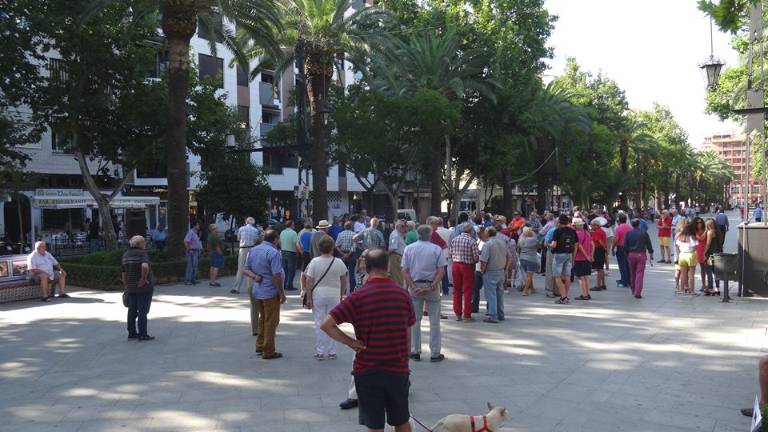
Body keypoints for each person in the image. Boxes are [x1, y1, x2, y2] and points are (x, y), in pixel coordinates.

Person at [320, 249, 415, 432]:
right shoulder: (403, 295)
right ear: (387, 266)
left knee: (375, 424)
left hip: (368, 369)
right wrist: (405, 360)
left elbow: (326, 324)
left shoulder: (358, 296)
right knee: (401, 420)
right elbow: (407, 331)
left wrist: (352, 342)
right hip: (397, 367)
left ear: (366, 267)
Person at [402, 224, 446, 362]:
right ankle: (434, 352)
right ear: (430, 234)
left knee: (415, 321)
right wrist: (432, 286)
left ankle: (415, 351)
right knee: (434, 321)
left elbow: (404, 270)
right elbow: (441, 271)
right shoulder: (436, 249)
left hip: (415, 285)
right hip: (431, 286)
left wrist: (413, 286)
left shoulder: (409, 248)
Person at [243, 230, 286, 359]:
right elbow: (276, 275)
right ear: (275, 240)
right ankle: (268, 350)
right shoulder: (274, 253)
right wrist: (281, 292)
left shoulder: (253, 250)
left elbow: (245, 269)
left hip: (258, 290)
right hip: (270, 291)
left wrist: (255, 276)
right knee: (271, 321)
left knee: (263, 318)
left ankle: (260, 344)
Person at [304, 235, 347, 360]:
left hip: (318, 294)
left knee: (319, 323)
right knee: (333, 323)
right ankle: (332, 351)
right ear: (332, 248)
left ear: (319, 247)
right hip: (334, 294)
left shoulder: (314, 262)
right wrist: (341, 295)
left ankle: (320, 351)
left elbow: (309, 281)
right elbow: (344, 280)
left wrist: (309, 297)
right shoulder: (339, 262)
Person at [122, 235, 154, 340]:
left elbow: (123, 272)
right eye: (144, 242)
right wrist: (143, 279)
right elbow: (144, 266)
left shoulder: (126, 254)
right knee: (142, 311)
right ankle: (142, 334)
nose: (145, 244)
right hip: (143, 287)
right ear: (140, 244)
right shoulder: (142, 253)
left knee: (132, 311)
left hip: (131, 287)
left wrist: (126, 284)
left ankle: (131, 333)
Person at [450, 223, 479, 321]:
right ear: (471, 231)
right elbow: (475, 257)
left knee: (457, 289)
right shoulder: (472, 241)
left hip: (455, 265)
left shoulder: (455, 239)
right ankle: (467, 315)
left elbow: (450, 254)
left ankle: (458, 313)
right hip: (467, 266)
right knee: (468, 290)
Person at [480, 227, 509, 323]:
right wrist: (505, 269)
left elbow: (483, 260)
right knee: (499, 294)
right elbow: (509, 257)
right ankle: (501, 314)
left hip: (490, 271)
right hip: (500, 270)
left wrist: (482, 271)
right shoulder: (503, 242)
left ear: (487, 234)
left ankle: (493, 315)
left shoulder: (487, 245)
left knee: (491, 294)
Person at [231, 217, 263, 295]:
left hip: (243, 249)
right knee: (251, 268)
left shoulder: (241, 229)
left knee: (241, 268)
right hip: (252, 249)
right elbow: (257, 240)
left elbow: (238, 238)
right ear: (253, 223)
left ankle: (236, 288)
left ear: (246, 222)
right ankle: (250, 288)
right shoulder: (256, 230)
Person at [550, 214, 577, 305]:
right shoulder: (572, 231)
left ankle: (563, 297)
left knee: (557, 276)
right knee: (567, 276)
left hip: (559, 254)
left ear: (559, 222)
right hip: (569, 254)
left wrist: (548, 245)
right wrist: (574, 255)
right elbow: (576, 244)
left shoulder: (557, 231)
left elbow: (554, 244)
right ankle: (565, 296)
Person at [624, 219, 654, 299]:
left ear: (632, 225)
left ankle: (633, 289)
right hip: (641, 255)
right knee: (639, 274)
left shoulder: (628, 233)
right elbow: (649, 244)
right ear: (639, 224)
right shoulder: (644, 233)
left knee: (632, 273)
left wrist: (627, 254)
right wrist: (651, 253)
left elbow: (625, 246)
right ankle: (638, 292)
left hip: (631, 254)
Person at [572, 218, 593, 301]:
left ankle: (584, 294)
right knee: (586, 276)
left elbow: (579, 246)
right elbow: (592, 244)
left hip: (579, 258)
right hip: (587, 258)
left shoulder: (576, 234)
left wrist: (573, 258)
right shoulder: (587, 232)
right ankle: (588, 293)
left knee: (580, 277)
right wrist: (590, 255)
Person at [675, 219, 698, 295]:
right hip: (690, 254)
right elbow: (695, 247)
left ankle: (681, 289)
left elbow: (677, 246)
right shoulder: (692, 237)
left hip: (682, 255)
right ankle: (692, 290)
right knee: (691, 275)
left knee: (683, 274)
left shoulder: (680, 237)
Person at [279, 220, 301, 292]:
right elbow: (296, 244)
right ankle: (289, 285)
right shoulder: (293, 233)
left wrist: (282, 247)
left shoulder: (282, 232)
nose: (294, 225)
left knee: (285, 269)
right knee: (291, 270)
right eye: (293, 224)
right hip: (291, 252)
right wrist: (301, 252)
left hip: (283, 251)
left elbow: (279, 241)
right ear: (291, 225)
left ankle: (284, 284)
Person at [335, 221, 358, 292]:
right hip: (351, 255)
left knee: (342, 273)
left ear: (344, 227)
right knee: (351, 273)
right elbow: (354, 246)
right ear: (351, 227)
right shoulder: (354, 234)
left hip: (342, 254)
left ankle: (343, 289)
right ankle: (352, 290)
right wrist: (348, 254)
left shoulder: (340, 234)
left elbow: (336, 246)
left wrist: (343, 254)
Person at [704, 219, 723, 296]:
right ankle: (717, 288)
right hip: (718, 254)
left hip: (711, 255)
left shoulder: (710, 232)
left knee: (708, 271)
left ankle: (710, 288)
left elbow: (708, 244)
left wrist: (704, 252)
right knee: (716, 272)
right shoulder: (717, 232)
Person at [517, 227, 539, 296]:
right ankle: (525, 291)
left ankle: (532, 288)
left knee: (528, 274)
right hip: (531, 259)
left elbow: (518, 247)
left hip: (522, 258)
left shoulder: (521, 240)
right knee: (529, 276)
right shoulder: (533, 240)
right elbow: (539, 246)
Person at [613, 213, 632, 288]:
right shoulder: (630, 228)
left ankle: (624, 281)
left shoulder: (618, 228)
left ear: (619, 221)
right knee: (628, 265)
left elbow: (616, 239)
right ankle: (629, 280)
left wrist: (613, 248)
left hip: (621, 248)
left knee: (622, 265)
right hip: (629, 248)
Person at [543, 218, 560, 298]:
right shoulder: (552, 231)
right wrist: (552, 245)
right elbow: (545, 243)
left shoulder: (561, 230)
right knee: (550, 271)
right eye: (558, 222)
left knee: (557, 272)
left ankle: (556, 290)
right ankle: (549, 290)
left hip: (559, 253)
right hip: (552, 252)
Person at [589, 218, 608, 292]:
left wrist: (604, 248)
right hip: (601, 250)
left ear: (596, 225)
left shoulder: (597, 232)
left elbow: (600, 241)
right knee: (601, 268)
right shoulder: (601, 231)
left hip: (598, 250)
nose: (591, 226)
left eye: (592, 225)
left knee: (599, 268)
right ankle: (603, 284)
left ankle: (598, 285)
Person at [388, 220, 407, 287]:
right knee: (397, 277)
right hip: (396, 257)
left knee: (399, 276)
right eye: (403, 226)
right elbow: (393, 248)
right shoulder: (395, 235)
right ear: (398, 227)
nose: (405, 228)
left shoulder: (398, 234)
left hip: (398, 257)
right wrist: (386, 256)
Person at [693, 217, 707, 292]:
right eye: (697, 223)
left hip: (706, 248)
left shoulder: (705, 229)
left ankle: (709, 284)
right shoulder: (695, 231)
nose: (699, 224)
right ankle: (704, 284)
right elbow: (701, 238)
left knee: (708, 268)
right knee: (703, 268)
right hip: (700, 249)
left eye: (700, 222)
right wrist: (706, 231)